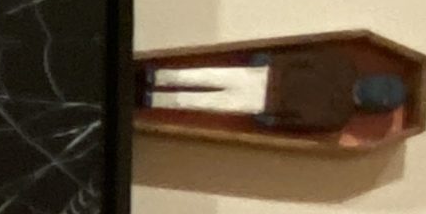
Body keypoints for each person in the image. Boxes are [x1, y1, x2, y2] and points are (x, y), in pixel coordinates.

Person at [138, 49, 408, 133]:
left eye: (384, 95)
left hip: (264, 103)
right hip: (267, 74)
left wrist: (273, 120)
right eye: (385, 83)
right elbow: (304, 57)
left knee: (209, 102)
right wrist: (272, 60)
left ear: (376, 107)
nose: (378, 89)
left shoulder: (338, 118)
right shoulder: (342, 64)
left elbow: (301, 125)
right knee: (210, 75)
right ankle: (160, 76)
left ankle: (157, 99)